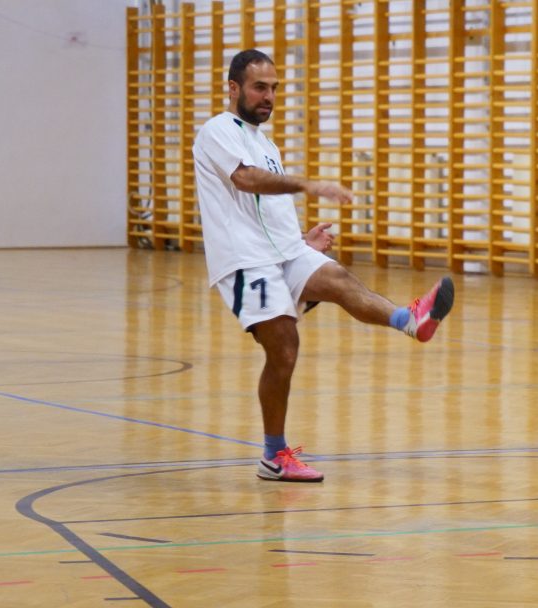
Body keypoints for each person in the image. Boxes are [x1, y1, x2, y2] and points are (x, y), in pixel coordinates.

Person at [193, 49, 455, 483]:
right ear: (233, 88)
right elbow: (247, 180)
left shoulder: (265, 142)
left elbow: (263, 209)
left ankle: (410, 320)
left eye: (274, 88)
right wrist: (307, 184)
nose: (269, 96)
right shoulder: (217, 130)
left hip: (283, 251)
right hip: (245, 261)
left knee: (337, 277)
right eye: (259, 87)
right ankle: (274, 456)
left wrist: (301, 241)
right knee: (284, 348)